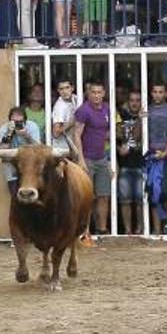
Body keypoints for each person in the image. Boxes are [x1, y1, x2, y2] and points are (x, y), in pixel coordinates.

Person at [72, 82, 113, 237]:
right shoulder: (84, 110)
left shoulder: (107, 108)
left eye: (99, 92)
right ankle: (85, 231)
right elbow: (76, 134)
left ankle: (102, 230)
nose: (96, 95)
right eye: (93, 92)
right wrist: (81, 160)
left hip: (102, 157)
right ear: (88, 93)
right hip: (87, 158)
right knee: (87, 197)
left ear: (104, 93)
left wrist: (110, 159)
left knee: (103, 195)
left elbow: (109, 133)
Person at [146, 82, 167, 235]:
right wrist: (140, 118)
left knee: (165, 192)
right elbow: (139, 134)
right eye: (155, 91)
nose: (157, 94)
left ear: (166, 94)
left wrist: (165, 153)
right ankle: (156, 231)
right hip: (151, 156)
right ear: (151, 93)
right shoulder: (148, 110)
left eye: (160, 92)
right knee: (152, 193)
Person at [116, 90, 147, 235]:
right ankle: (128, 231)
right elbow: (114, 136)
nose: (135, 103)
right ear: (127, 102)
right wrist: (118, 148)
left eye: (138, 100)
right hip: (125, 164)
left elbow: (138, 137)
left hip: (141, 163)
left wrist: (140, 120)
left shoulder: (146, 117)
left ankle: (140, 229)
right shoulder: (122, 116)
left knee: (141, 200)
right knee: (125, 200)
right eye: (132, 100)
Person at [0, 107, 42, 198]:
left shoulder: (32, 127)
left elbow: (38, 148)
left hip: (29, 168)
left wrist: (27, 136)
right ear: (9, 121)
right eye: (14, 122)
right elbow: (0, 151)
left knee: (33, 196)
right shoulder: (4, 129)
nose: (17, 124)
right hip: (11, 166)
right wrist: (9, 134)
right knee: (15, 195)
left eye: (20, 122)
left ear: (25, 121)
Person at [50, 79, 81, 155]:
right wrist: (73, 121)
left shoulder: (76, 99)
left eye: (67, 87)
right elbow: (56, 133)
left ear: (72, 88)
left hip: (74, 145)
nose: (64, 91)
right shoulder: (59, 107)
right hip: (62, 149)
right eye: (61, 89)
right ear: (58, 91)